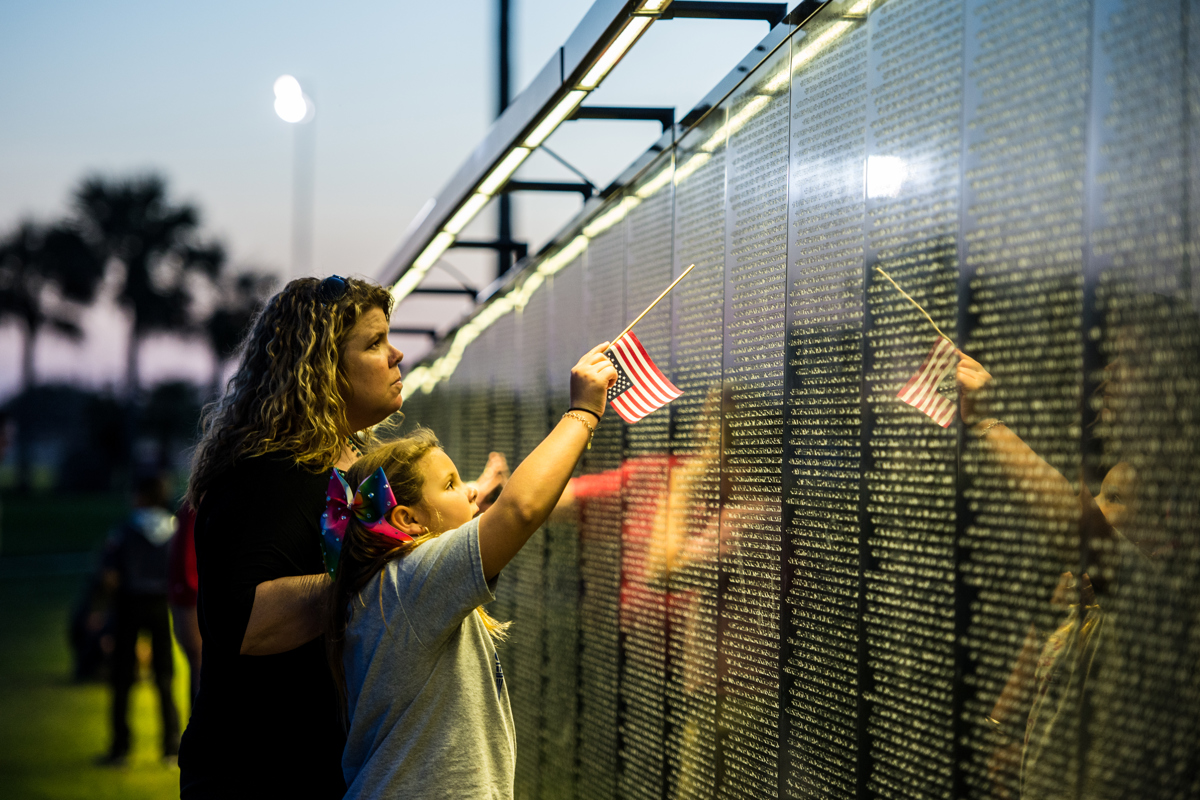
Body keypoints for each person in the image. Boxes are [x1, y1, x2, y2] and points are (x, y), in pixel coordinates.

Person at [326, 342, 616, 799]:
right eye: (450, 485)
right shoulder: (410, 582)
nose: (468, 494)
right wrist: (582, 411)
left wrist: (462, 500)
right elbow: (519, 510)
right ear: (406, 520)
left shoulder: (387, 587)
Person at [180, 276, 402, 797]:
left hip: (322, 766)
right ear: (322, 369)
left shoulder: (350, 463)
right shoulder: (270, 470)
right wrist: (388, 572)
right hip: (258, 773)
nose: (396, 355)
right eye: (373, 343)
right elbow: (244, 622)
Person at [99, 473, 180, 766]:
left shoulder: (124, 531)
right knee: (164, 677)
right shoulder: (174, 530)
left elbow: (110, 576)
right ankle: (171, 746)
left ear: (141, 496)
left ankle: (120, 747)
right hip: (161, 605)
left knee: (122, 678)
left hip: (129, 604)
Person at [168, 502, 201, 702]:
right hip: (193, 597)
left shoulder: (193, 505)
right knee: (200, 667)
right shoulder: (195, 506)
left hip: (190, 595)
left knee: (200, 667)